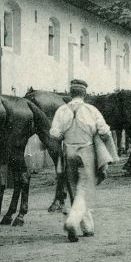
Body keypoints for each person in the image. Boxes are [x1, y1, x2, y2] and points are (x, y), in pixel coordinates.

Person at [49, 79, 115, 243]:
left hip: (69, 151)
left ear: (70, 93)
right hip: (87, 151)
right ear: (84, 94)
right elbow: (104, 131)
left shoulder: (61, 110)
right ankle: (73, 221)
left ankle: (87, 228)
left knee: (73, 189)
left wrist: (65, 134)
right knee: (84, 189)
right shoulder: (91, 109)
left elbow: (54, 133)